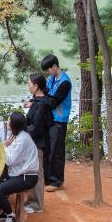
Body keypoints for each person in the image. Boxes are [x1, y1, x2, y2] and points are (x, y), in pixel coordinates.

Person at [0, 112, 41, 222]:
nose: (7, 122)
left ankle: (10, 217)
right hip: (18, 173)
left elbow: (10, 160)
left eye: (9, 121)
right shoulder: (17, 135)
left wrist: (5, 146)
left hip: (27, 177)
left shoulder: (22, 139)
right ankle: (4, 210)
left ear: (14, 124)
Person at [24, 73, 55, 214]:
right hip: (34, 141)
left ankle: (37, 204)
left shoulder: (42, 104)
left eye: (29, 84)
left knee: (36, 172)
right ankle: (32, 200)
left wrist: (22, 132)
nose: (28, 86)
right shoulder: (38, 101)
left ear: (36, 86)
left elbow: (35, 127)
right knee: (32, 170)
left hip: (38, 142)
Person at [41, 54, 72, 191]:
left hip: (59, 120)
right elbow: (45, 93)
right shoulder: (51, 79)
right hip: (50, 119)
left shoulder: (65, 82)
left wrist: (42, 98)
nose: (48, 72)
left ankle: (57, 181)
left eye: (48, 69)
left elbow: (53, 102)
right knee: (47, 149)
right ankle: (48, 178)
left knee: (56, 151)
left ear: (54, 66)